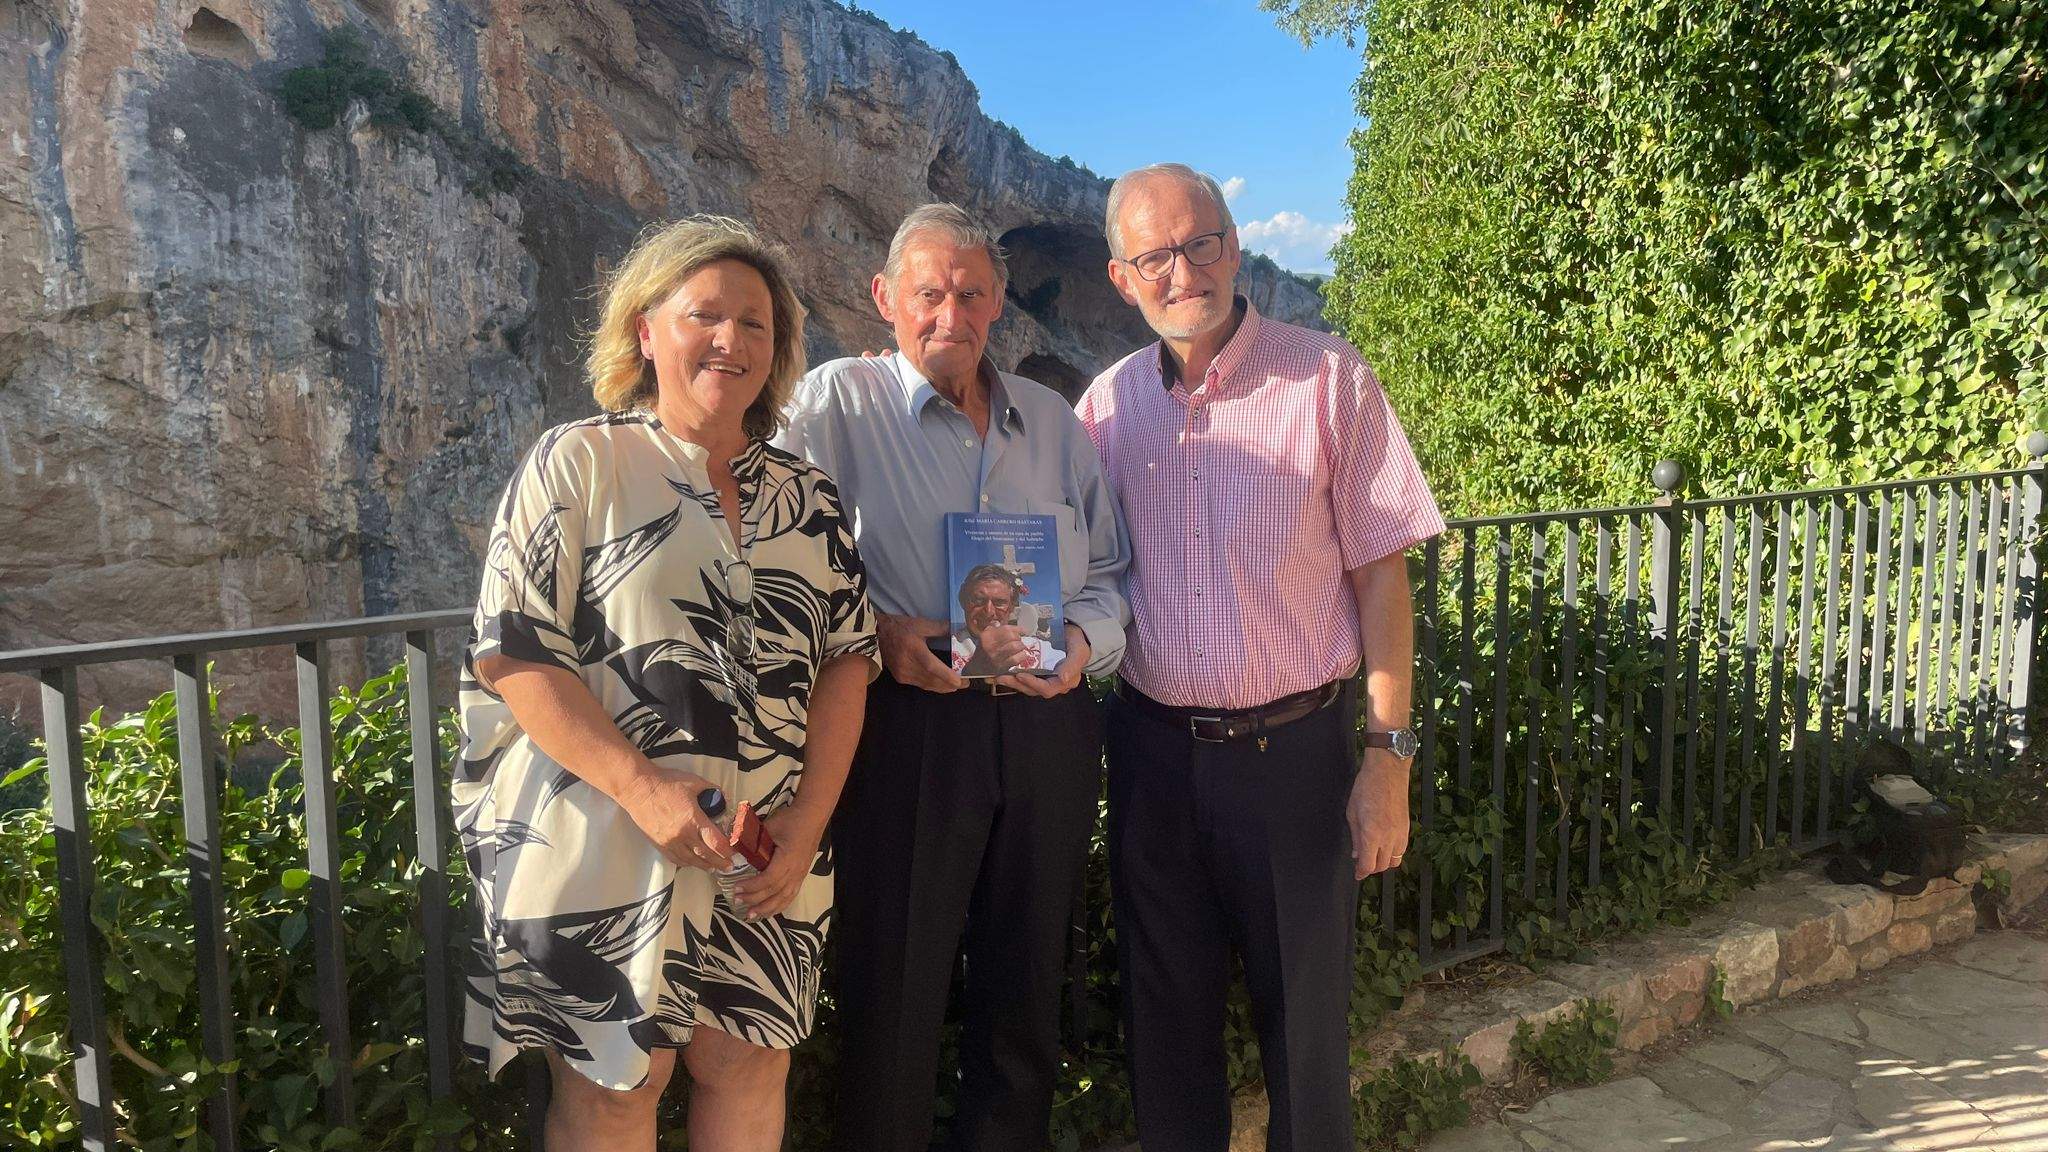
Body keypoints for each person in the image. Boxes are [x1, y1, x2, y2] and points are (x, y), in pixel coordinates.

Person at [453, 215, 878, 1152]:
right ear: (646, 331)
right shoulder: (580, 462)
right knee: (617, 1086)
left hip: (765, 848)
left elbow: (849, 658)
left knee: (748, 1059)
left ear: (779, 351)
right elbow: (514, 653)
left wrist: (806, 825)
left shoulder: (806, 497)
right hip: (606, 831)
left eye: (756, 324)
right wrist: (643, 790)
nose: (731, 340)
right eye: (705, 315)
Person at [1075, 164, 1445, 1152]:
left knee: (1308, 1046)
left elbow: (1381, 581)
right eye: (1154, 254)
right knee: (1167, 1035)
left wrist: (1387, 759)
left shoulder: (1328, 378)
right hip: (1150, 757)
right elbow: (1064, 575)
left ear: (1234, 246)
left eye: (1200, 242)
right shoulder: (1104, 410)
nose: (1181, 268)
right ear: (1122, 276)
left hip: (1295, 763)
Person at [775, 202, 1130, 1152]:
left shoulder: (1052, 420)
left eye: (971, 294)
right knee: (894, 992)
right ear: (886, 298)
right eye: (929, 293)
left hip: (1047, 727)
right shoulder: (833, 407)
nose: (950, 314)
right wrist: (882, 636)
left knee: (1024, 989)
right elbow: (776, 568)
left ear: (999, 302)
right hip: (907, 727)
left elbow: (1109, 574)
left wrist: (1087, 649)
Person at [951, 563, 1060, 676]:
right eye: (978, 600)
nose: (989, 612)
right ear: (963, 602)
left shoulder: (1038, 648)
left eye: (999, 602)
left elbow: (1062, 664)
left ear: (1011, 607)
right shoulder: (947, 647)